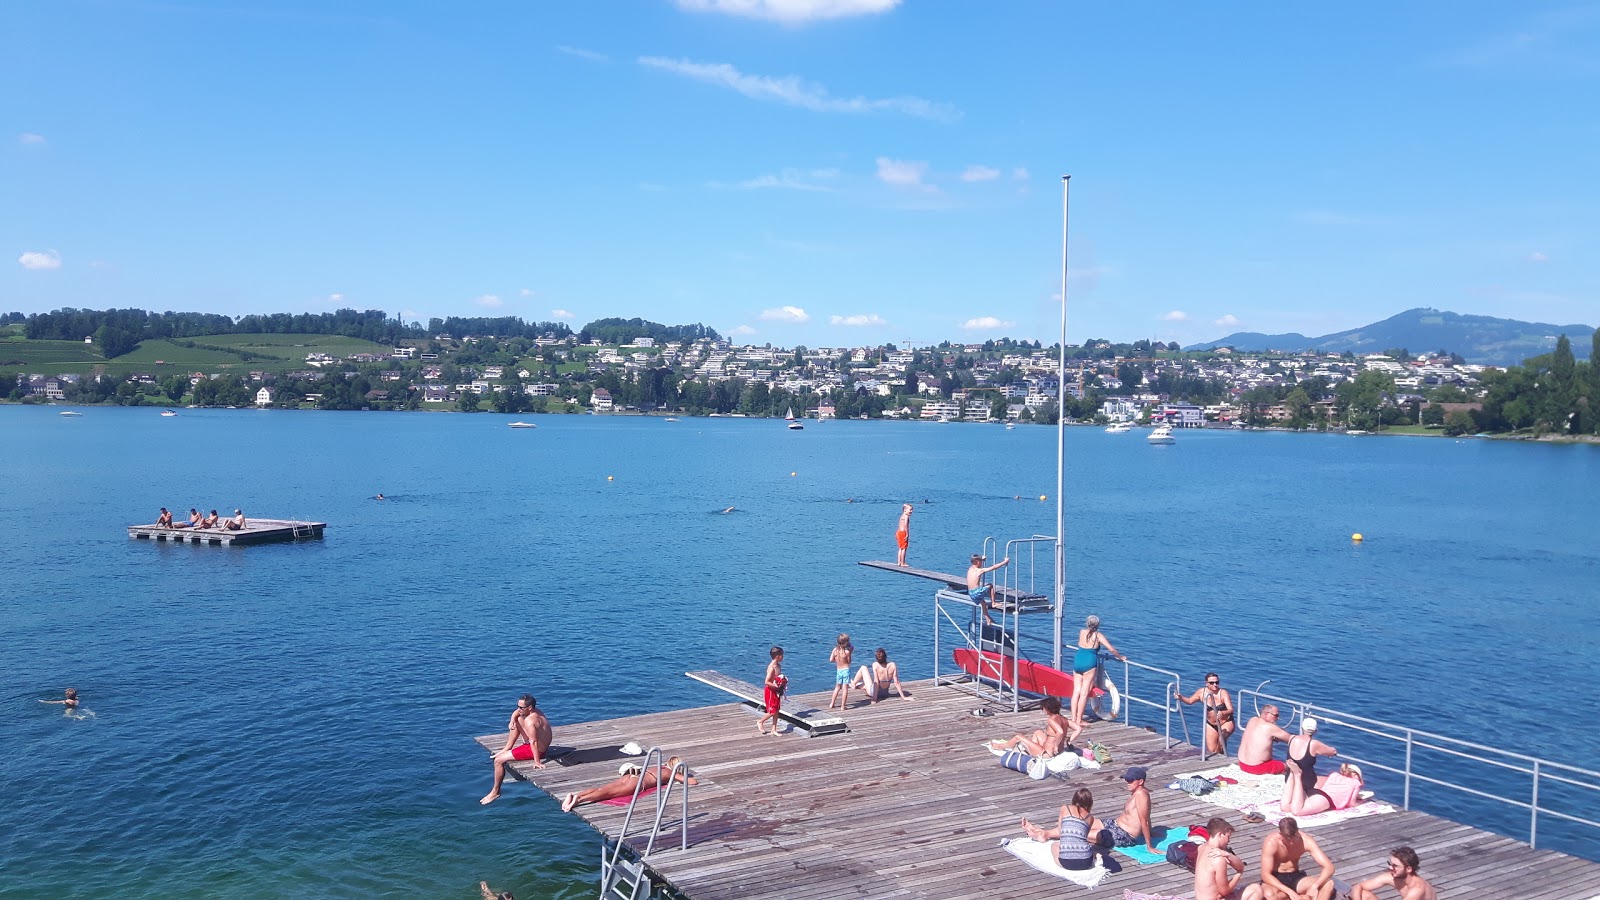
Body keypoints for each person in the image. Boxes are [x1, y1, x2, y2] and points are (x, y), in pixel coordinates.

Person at [481, 694, 554, 805]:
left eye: (521, 708)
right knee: (518, 719)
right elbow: (516, 713)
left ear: (529, 708)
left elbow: (533, 742)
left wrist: (537, 762)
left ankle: (495, 791)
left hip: (536, 750)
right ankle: (507, 748)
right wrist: (512, 720)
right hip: (536, 744)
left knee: (498, 761)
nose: (518, 709)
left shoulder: (530, 721)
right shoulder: (536, 711)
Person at [560, 756, 698, 812]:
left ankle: (575, 795)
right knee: (606, 794)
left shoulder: (660, 767)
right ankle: (579, 800)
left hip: (631, 776)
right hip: (638, 783)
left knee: (601, 788)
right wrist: (681, 776)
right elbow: (692, 782)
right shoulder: (669, 772)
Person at [1241, 818, 1335, 900]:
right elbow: (1265, 874)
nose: (1290, 842)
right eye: (1286, 838)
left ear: (1297, 831)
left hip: (1295, 877)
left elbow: (1329, 867)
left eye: (1292, 838)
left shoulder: (1306, 840)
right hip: (1276, 878)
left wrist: (1315, 885)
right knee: (1269, 896)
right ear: (1280, 834)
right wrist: (1290, 892)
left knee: (1328, 883)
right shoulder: (1271, 842)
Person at [1068, 614, 1124, 742]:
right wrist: (1120, 657)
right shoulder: (1098, 636)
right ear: (1097, 625)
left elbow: (1082, 644)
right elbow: (1112, 649)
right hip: (1089, 662)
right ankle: (1079, 719)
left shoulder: (1081, 632)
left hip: (1078, 661)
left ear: (1087, 623)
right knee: (1084, 693)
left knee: (1076, 691)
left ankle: (1072, 718)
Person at [1019, 787, 1101, 872]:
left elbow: (1060, 831)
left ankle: (1040, 834)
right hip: (1086, 862)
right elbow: (1082, 836)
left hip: (1066, 862)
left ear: (1074, 799)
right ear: (1090, 803)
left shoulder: (1065, 808)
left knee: (1054, 845)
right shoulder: (1090, 818)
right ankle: (1096, 855)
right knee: (1087, 847)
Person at [1281, 718, 1339, 816]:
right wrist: (1331, 751)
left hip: (1289, 779)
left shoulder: (1292, 739)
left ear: (1302, 728)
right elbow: (1332, 751)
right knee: (1328, 780)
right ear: (1316, 730)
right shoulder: (1313, 744)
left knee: (1287, 806)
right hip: (1306, 782)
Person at [1097, 766, 1160, 856]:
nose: (1127, 783)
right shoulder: (1135, 792)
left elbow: (1144, 820)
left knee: (1086, 834)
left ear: (1141, 781)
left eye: (1130, 780)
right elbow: (1147, 815)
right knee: (1088, 823)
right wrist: (1151, 831)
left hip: (1124, 835)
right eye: (1126, 779)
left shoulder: (1141, 794)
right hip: (1115, 824)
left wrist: (1149, 846)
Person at [1177, 672, 1236, 755]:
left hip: (1226, 722)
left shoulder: (1223, 693)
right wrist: (1181, 698)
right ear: (1206, 683)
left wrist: (1223, 712)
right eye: (1212, 683)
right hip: (1211, 724)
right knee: (1212, 750)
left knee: (1221, 739)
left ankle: (1223, 758)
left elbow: (1231, 710)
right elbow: (1190, 701)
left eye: (1217, 682)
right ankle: (1221, 757)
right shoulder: (1201, 692)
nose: (1215, 685)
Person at [988, 696, 1067, 756]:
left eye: (1042, 708)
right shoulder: (1063, 718)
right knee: (1038, 732)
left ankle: (1000, 747)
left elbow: (1060, 732)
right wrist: (1068, 741)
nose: (1042, 709)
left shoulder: (1051, 720)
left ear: (1047, 708)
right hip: (1058, 751)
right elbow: (1078, 728)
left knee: (1018, 737)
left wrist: (1056, 745)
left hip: (1046, 754)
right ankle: (1032, 749)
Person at [1350, 847, 1435, 900]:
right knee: (1364, 894)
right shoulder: (1392, 877)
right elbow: (1358, 886)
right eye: (1390, 864)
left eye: (1395, 866)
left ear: (1408, 869)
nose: (1391, 868)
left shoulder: (1417, 889)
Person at [1195, 817, 1247, 900]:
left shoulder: (1201, 848)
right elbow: (1225, 891)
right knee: (1256, 890)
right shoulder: (1218, 859)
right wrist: (1239, 874)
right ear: (1220, 835)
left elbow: (1240, 865)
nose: (1228, 841)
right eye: (1228, 837)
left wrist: (1227, 854)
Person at [1238, 705, 1293, 775]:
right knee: (1288, 767)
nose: (1278, 718)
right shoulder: (1270, 727)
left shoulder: (1252, 720)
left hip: (1242, 764)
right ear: (1266, 714)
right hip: (1257, 767)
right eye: (1276, 715)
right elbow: (1291, 738)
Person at [965, 553, 1010, 626]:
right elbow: (994, 567)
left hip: (970, 593)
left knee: (983, 604)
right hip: (976, 592)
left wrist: (981, 559)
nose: (982, 564)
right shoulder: (979, 570)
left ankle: (988, 619)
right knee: (990, 586)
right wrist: (1005, 562)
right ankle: (993, 603)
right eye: (981, 562)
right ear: (979, 562)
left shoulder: (970, 568)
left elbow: (976, 561)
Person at [757, 646, 786, 736]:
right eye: (782, 655)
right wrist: (776, 686)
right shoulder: (772, 667)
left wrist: (782, 683)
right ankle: (760, 721)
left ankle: (774, 729)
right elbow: (767, 681)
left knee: (777, 710)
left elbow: (778, 677)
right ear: (777, 656)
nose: (783, 657)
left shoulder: (779, 666)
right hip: (770, 691)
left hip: (776, 690)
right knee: (772, 711)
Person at [828, 634, 854, 710]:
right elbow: (849, 662)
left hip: (838, 670)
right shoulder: (847, 652)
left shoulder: (835, 650)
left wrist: (837, 660)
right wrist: (850, 652)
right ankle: (843, 706)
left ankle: (832, 703)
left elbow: (831, 660)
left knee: (837, 687)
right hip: (846, 670)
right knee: (845, 688)